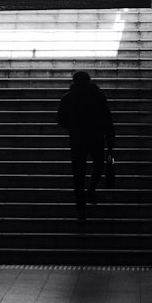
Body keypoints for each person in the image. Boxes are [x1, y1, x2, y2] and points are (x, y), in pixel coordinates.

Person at [56, 70, 115, 225]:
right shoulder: (98, 96)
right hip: (96, 138)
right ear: (89, 80)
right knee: (99, 166)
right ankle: (91, 188)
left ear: (74, 81)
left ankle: (81, 210)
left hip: (77, 141)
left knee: (78, 176)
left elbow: (60, 121)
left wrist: (73, 125)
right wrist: (111, 142)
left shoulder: (67, 98)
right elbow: (108, 120)